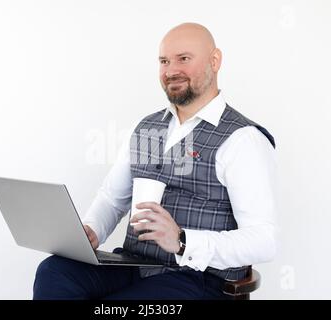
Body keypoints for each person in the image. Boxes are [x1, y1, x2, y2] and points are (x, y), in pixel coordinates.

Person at [33, 22, 277, 300]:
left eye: (183, 58)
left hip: (197, 279)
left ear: (214, 60)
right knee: (54, 271)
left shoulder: (243, 139)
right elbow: (113, 198)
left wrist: (183, 241)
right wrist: (92, 231)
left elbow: (264, 240)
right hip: (136, 265)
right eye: (164, 61)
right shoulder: (146, 127)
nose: (171, 70)